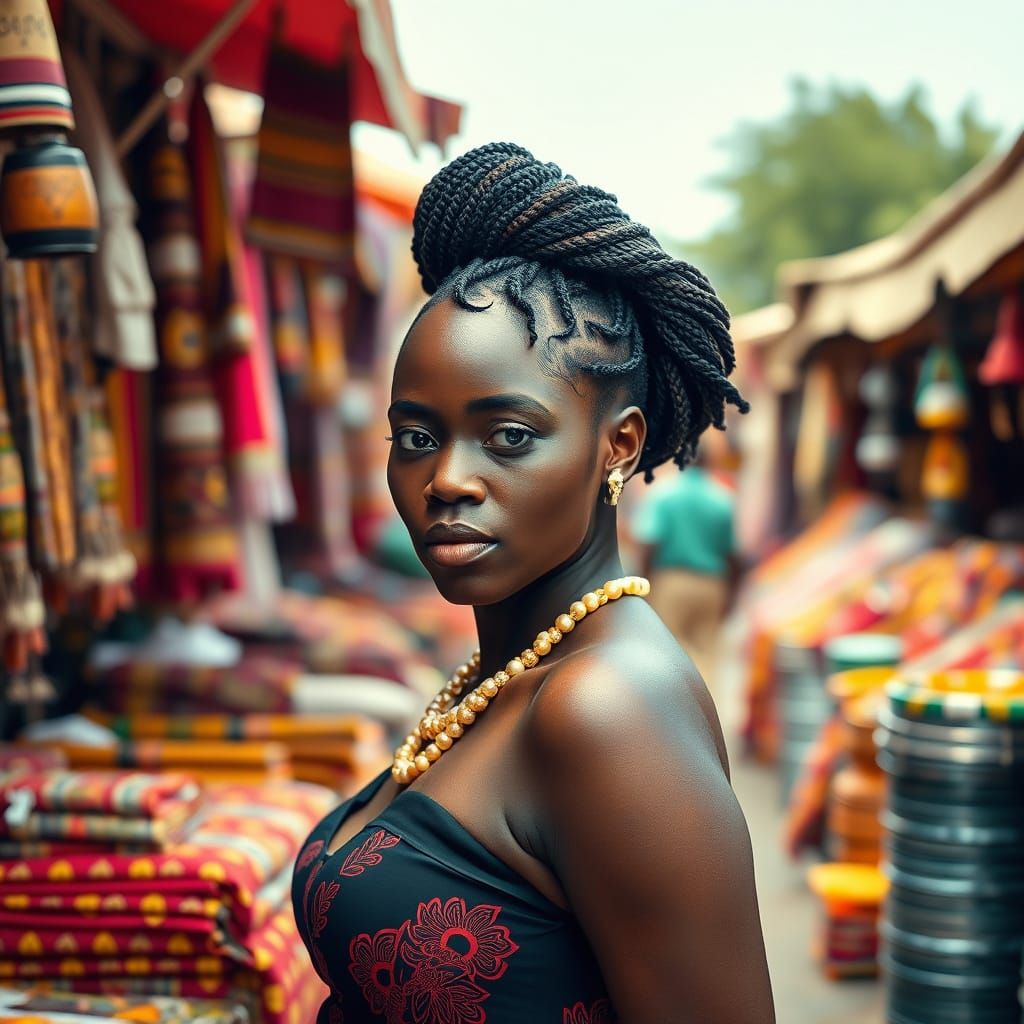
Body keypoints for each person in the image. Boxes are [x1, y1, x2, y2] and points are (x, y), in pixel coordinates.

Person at [292, 143, 775, 1023]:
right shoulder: (508, 676)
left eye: (508, 435)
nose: (446, 480)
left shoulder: (605, 709)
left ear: (617, 446)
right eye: (416, 437)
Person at [631, 443, 738, 685]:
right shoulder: (723, 498)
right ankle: (706, 717)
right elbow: (733, 554)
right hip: (712, 585)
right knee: (707, 655)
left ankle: (668, 715)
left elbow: (648, 543)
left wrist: (642, 585)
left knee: (667, 654)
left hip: (671, 583)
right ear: (709, 462)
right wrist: (731, 593)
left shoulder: (663, 494)